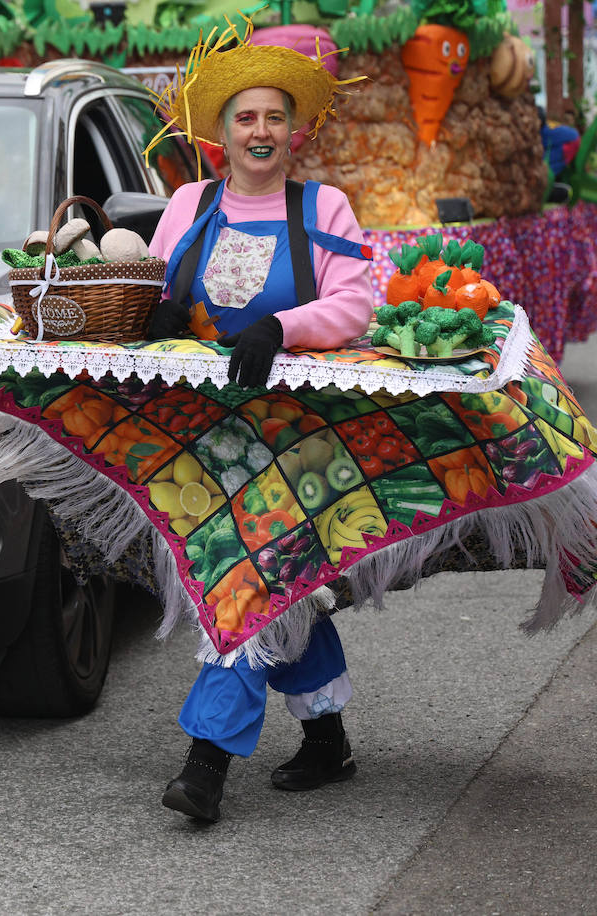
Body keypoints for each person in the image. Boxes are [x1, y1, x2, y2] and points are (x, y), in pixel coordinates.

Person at [141, 29, 374, 823]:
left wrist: (282, 327)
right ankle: (327, 739)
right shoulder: (186, 206)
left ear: (296, 129)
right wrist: (158, 316)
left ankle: (206, 764)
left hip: (300, 431)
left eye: (276, 116)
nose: (262, 132)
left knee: (249, 573)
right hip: (200, 433)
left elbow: (357, 303)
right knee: (280, 578)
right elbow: (149, 296)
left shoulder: (323, 206)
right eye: (246, 118)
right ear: (223, 131)